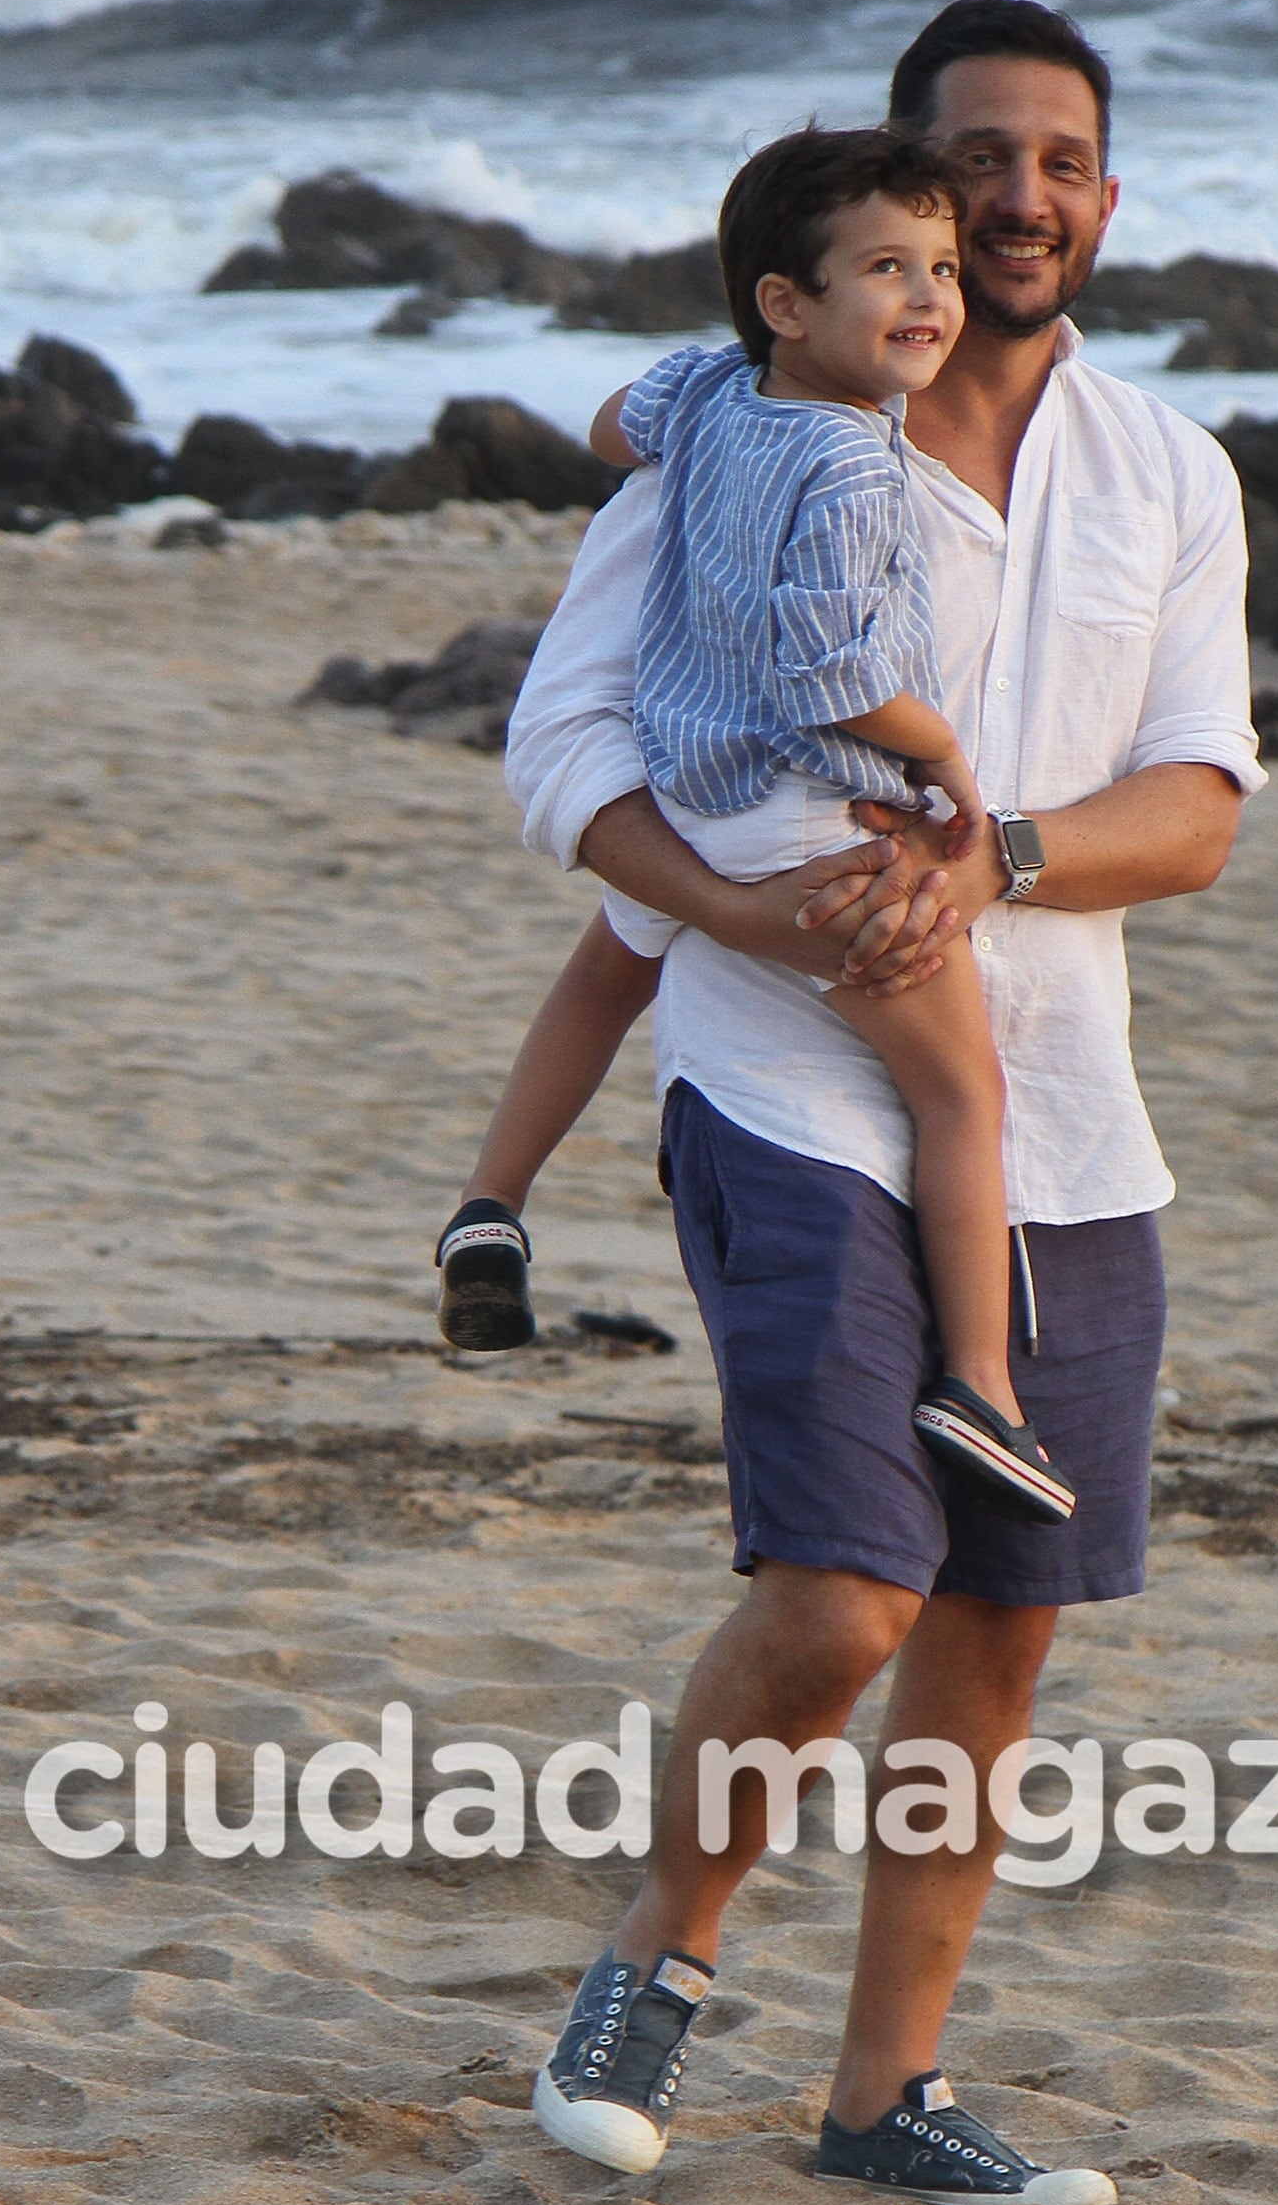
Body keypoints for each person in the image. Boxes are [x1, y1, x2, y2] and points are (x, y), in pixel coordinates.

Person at [501, 0, 1265, 2205]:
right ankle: (658, 1959)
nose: (1011, 206)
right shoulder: (750, 437)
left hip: (1067, 1125)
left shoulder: (1169, 476)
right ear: (895, 194)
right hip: (786, 1081)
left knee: (995, 1631)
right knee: (842, 1593)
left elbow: (1200, 808)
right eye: (971, 166)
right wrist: (746, 927)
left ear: (1103, 201)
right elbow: (566, 762)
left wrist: (990, 853)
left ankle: (880, 2099)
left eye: (1058, 164)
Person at [437, 125, 1072, 1521]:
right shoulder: (857, 468)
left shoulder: (718, 393)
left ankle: (491, 1201)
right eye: (890, 270)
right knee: (962, 1091)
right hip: (807, 815)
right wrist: (947, 752)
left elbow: (616, 422)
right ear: (789, 300)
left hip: (689, 795)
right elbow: (834, 676)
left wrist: (711, 390)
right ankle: (982, 1381)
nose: (931, 299)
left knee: (615, 955)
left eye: (944, 268)